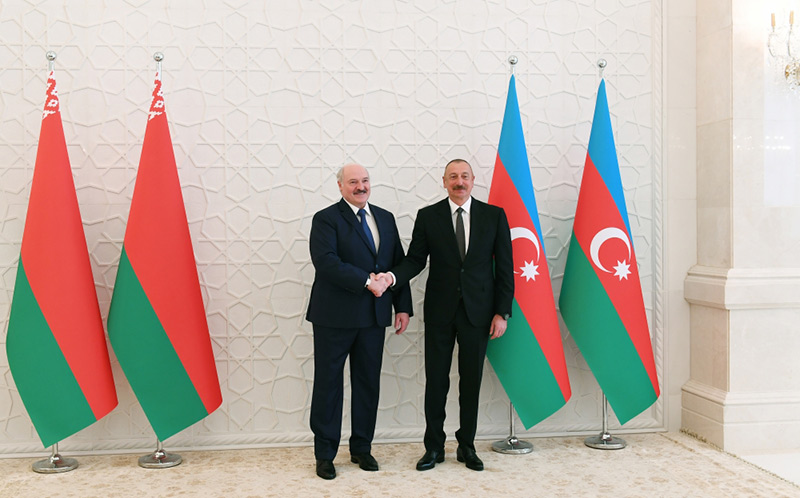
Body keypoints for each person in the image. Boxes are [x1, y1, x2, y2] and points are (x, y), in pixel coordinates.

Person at [375, 158, 513, 472]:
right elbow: (415, 261)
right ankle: (434, 447)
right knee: (436, 381)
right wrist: (391, 278)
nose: (459, 181)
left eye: (464, 176)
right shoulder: (428, 216)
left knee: (471, 382)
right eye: (453, 176)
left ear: (473, 180)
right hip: (440, 312)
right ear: (444, 181)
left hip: (479, 313)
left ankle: (467, 446)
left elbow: (506, 267)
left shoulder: (494, 216)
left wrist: (502, 312)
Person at [306, 163, 413, 480]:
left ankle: (362, 448)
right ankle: (325, 454)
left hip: (373, 317)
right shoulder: (325, 219)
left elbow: (397, 263)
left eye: (365, 180)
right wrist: (368, 282)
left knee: (368, 384)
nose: (360, 186)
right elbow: (326, 262)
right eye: (353, 182)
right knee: (328, 385)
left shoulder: (385, 218)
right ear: (340, 186)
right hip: (333, 318)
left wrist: (403, 307)